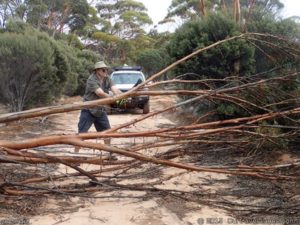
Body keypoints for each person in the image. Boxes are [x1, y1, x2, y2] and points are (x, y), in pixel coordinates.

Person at [75, 61, 122, 155]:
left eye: (106, 69)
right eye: (103, 69)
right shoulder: (91, 79)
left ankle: (109, 154)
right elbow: (99, 93)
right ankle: (76, 156)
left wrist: (122, 96)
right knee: (82, 134)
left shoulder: (107, 78)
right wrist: (112, 98)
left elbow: (115, 89)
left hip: (100, 110)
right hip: (88, 110)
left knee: (107, 133)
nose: (106, 71)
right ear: (97, 71)